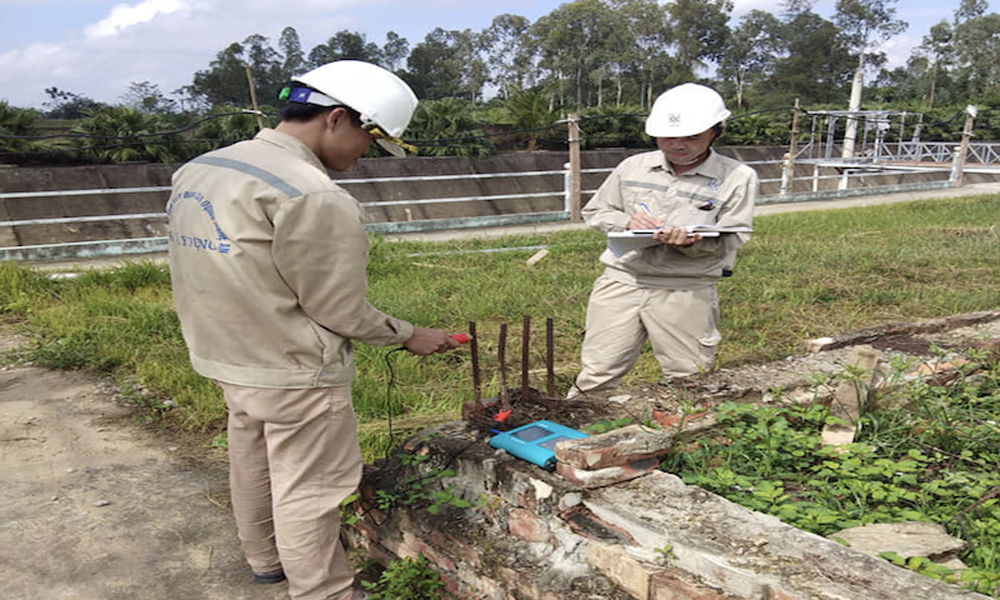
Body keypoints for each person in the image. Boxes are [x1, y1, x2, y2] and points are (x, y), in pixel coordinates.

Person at [167, 60, 460, 600]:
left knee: (252, 461)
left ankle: (265, 559)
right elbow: (338, 309)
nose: (364, 155)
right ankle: (325, 591)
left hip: (225, 357)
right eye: (370, 140)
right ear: (337, 118)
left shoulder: (205, 168)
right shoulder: (312, 194)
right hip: (294, 369)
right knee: (312, 490)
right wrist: (407, 334)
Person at [567, 83, 758, 398]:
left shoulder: (737, 177)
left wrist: (693, 240)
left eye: (691, 137)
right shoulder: (634, 166)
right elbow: (597, 210)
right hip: (622, 281)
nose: (677, 144)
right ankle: (576, 438)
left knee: (689, 379)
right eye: (668, 136)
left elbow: (736, 234)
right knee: (597, 372)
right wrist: (627, 221)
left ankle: (686, 439)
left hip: (686, 287)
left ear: (716, 132)